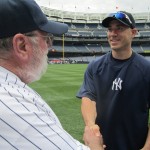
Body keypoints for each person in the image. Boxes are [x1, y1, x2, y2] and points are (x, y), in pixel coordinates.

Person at [0, 0, 105, 149]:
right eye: (47, 39)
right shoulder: (11, 104)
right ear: (22, 45)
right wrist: (95, 144)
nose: (49, 47)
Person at [76, 11, 150, 150]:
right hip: (102, 146)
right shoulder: (95, 67)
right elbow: (88, 98)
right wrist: (91, 126)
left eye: (119, 28)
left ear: (133, 32)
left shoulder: (146, 69)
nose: (113, 33)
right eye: (110, 29)